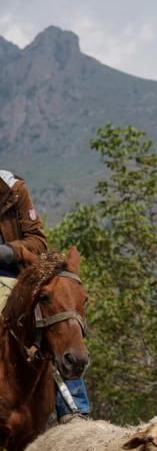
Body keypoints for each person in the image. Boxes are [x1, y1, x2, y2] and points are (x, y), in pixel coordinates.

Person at [0, 169, 90, 421]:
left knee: (56, 309)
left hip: (15, 274)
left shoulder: (13, 189)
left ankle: (73, 408)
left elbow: (37, 241)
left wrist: (9, 252)